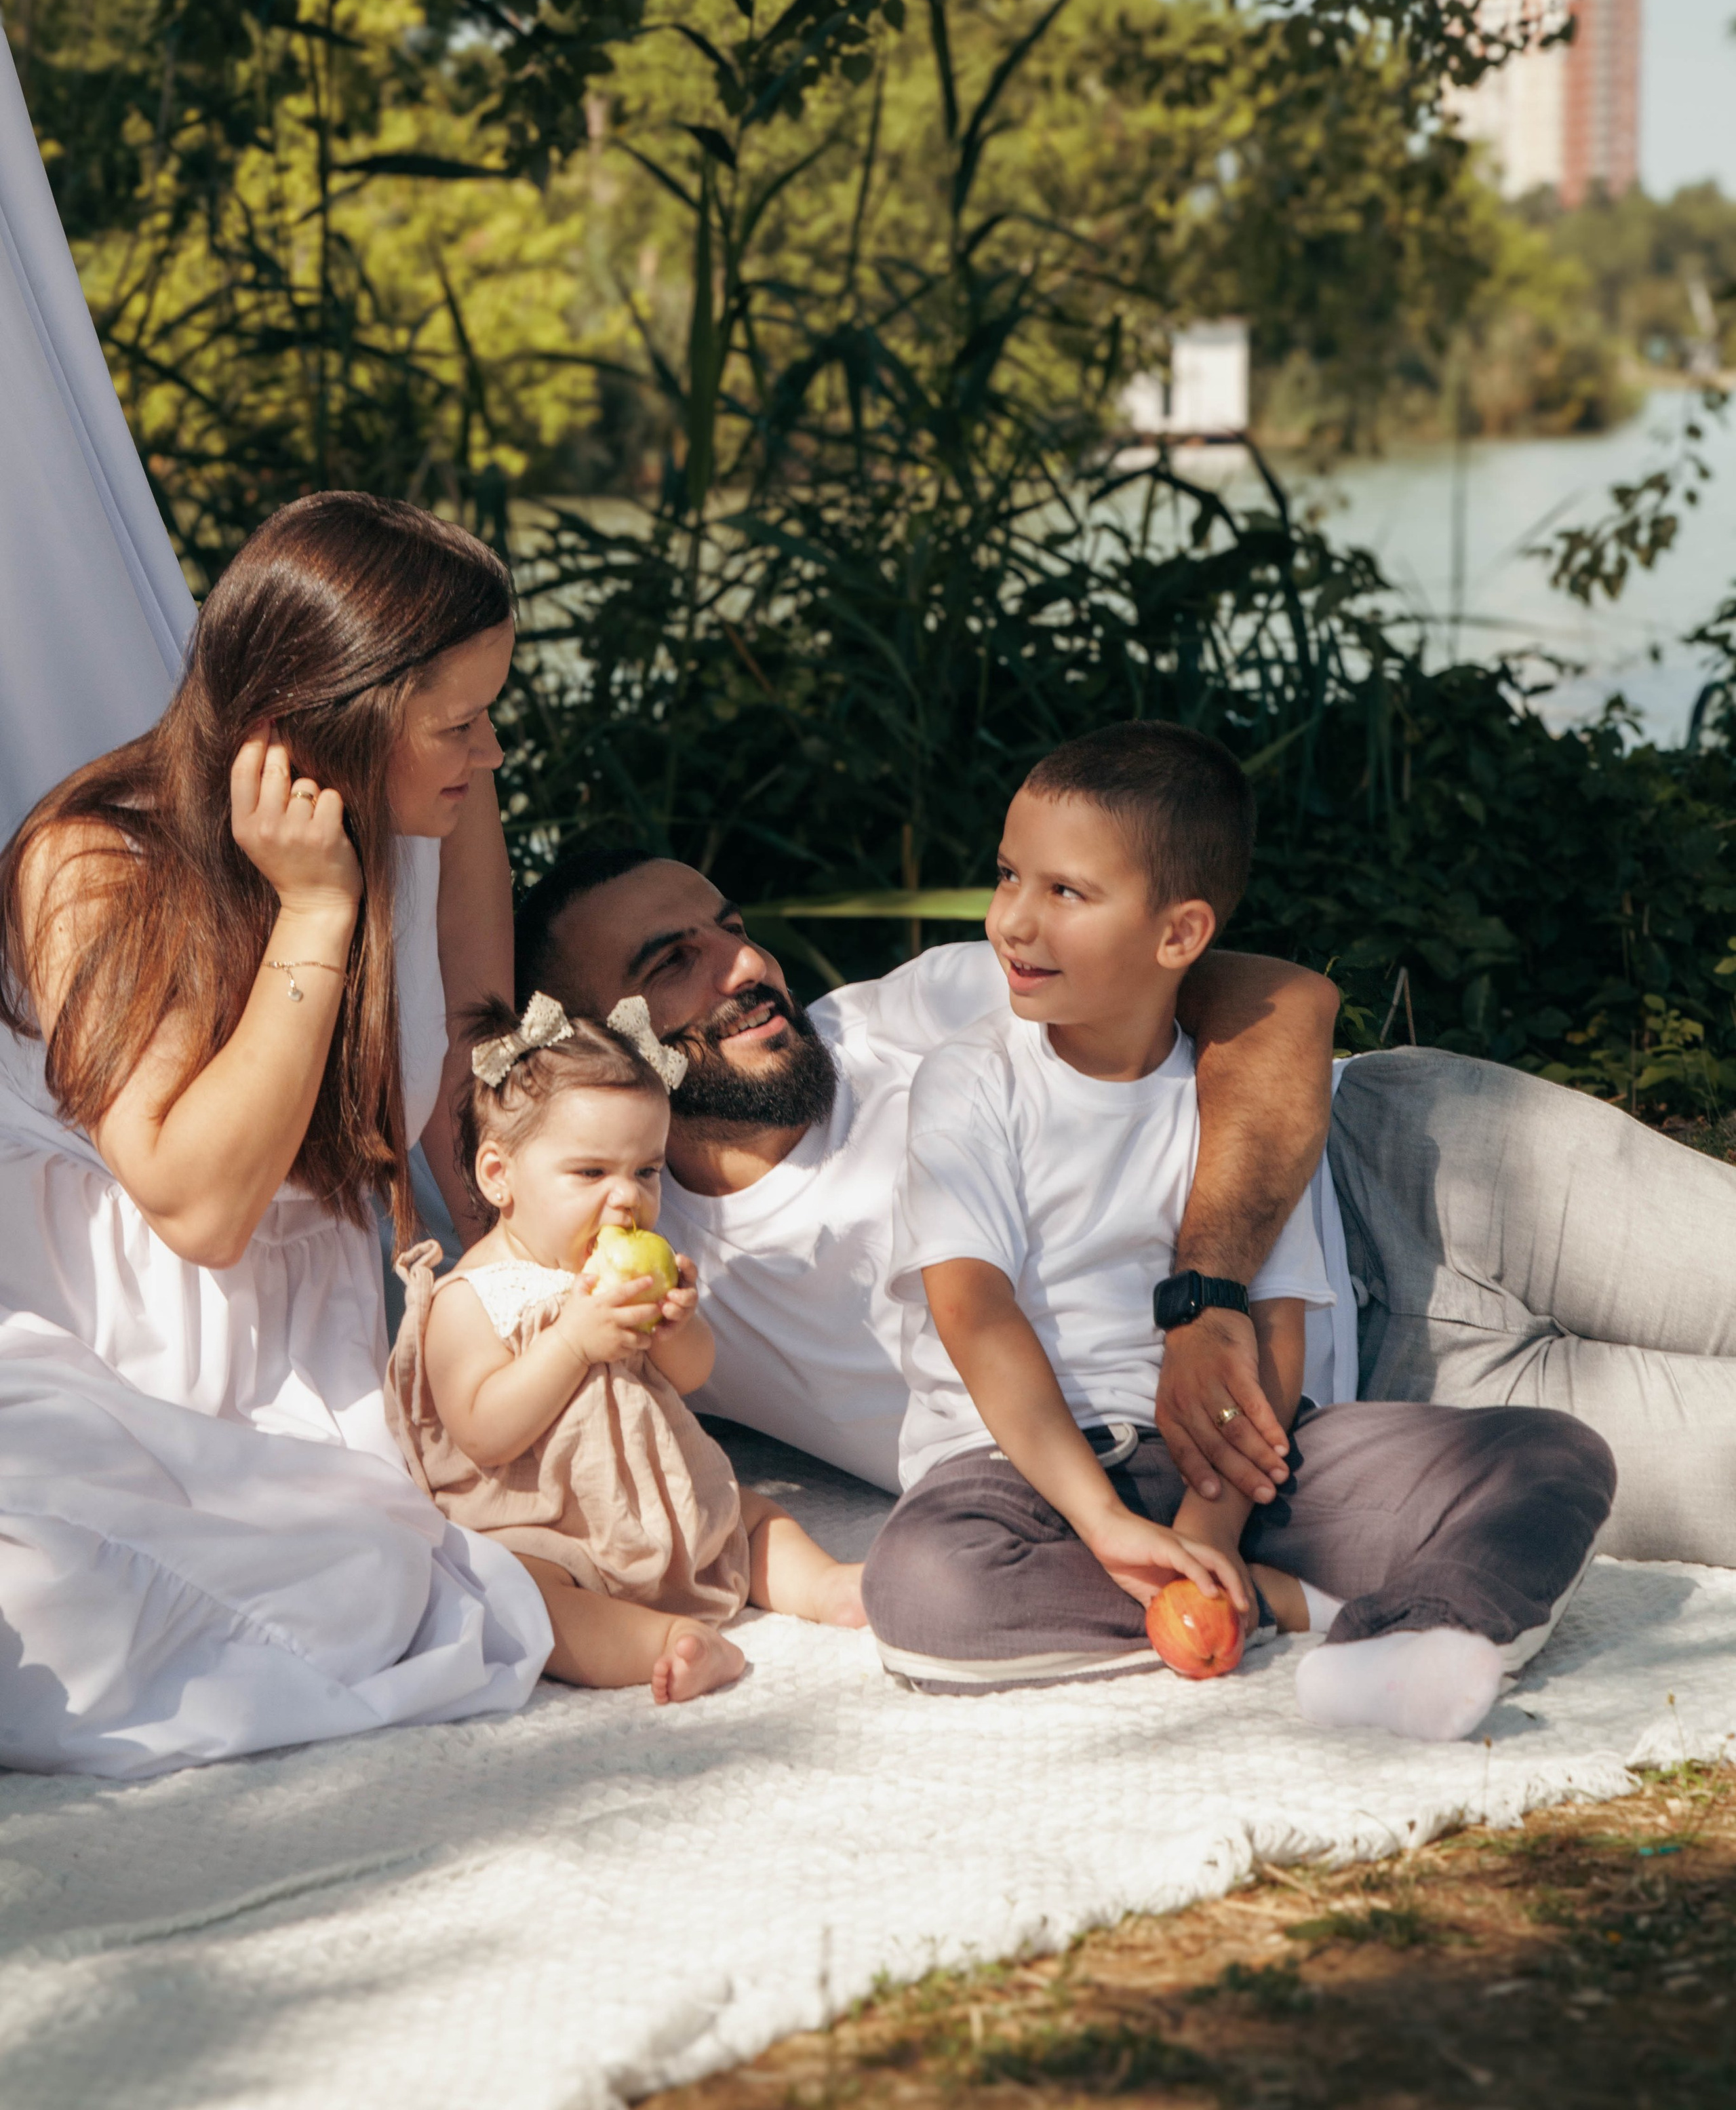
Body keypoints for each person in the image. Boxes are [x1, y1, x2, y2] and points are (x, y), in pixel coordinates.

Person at [859, 723, 1617, 1739]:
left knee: (1553, 1454)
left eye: (1066, 893)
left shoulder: (1241, 1093)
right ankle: (1295, 1607)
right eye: (1007, 877)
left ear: (1179, 936)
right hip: (1025, 1478)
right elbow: (972, 1308)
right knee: (924, 1592)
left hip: (1238, 1462)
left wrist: (1207, 1522)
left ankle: (1423, 1638)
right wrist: (1110, 1526)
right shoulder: (973, 1076)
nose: (1013, 923)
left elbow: (1276, 1323)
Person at [0, 493, 552, 1779]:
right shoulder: (94, 860)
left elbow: (475, 1096)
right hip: (98, 1339)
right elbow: (197, 1209)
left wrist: (534, 1307)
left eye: (490, 715)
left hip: (308, 1355)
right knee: (66, 1573)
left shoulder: (447, 816)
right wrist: (314, 911)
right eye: (457, 724)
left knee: (370, 1571)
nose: (489, 755)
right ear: (323, 727)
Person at [515, 847, 1345, 1499]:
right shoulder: (632, 1256)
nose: (747, 968)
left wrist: (1209, 1297)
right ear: (587, 1041)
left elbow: (1281, 1000)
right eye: (672, 963)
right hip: (1307, 1443)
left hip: (1374, 1175)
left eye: (734, 930)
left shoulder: (912, 1016)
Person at [388, 992, 866, 1704]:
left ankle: (830, 1587)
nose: (627, 1200)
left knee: (749, 1513)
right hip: (547, 1527)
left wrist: (679, 1328)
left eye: (645, 1171)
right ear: (499, 1177)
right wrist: (573, 1343)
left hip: (654, 1502)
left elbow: (694, 1376)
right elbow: (483, 1433)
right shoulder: (470, 1297)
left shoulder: (618, 1270)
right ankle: (667, 1645)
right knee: (522, 1595)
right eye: (590, 1173)